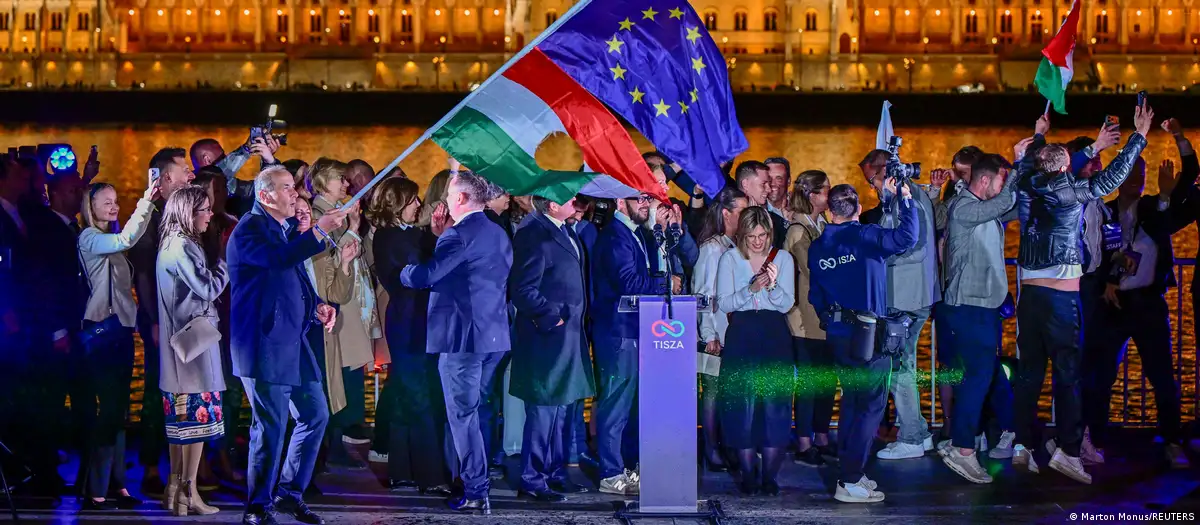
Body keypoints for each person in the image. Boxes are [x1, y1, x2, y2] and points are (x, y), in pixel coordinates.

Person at [1011, 106, 1151, 485]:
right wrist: (1137, 137)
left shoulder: (1025, 184)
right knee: (1069, 376)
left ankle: (1023, 444)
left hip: (1031, 298)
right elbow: (1113, 178)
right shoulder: (1072, 191)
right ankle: (1070, 452)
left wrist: (1039, 134)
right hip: (1061, 299)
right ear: (1065, 167)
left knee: (1029, 375)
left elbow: (1028, 165)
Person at [227, 166, 346, 525]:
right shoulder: (249, 229)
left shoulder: (282, 228)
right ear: (265, 196)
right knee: (270, 426)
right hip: (264, 344)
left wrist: (319, 306)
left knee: (315, 414)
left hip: (293, 340)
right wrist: (320, 231)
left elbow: (292, 276)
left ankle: (289, 493)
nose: (294, 194)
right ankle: (257, 506)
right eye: (286, 188)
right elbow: (277, 260)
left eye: (293, 187)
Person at [400, 168, 512, 514]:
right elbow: (469, 273)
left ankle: (476, 488)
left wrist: (405, 271)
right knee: (476, 411)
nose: (445, 201)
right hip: (493, 336)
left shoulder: (458, 235)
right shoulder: (496, 232)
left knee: (462, 415)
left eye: (449, 196)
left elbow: (427, 276)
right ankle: (476, 479)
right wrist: (441, 237)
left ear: (461, 198)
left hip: (463, 339)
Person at [1082, 144, 1192, 469]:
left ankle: (1172, 441)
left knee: (1161, 376)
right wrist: (1110, 280)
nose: (1136, 179)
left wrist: (1165, 195)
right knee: (1102, 377)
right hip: (1113, 305)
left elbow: (1163, 223)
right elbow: (1110, 254)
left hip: (1148, 305)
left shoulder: (1153, 209)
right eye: (1130, 173)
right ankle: (1094, 438)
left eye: (1141, 174)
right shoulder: (1108, 213)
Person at [809, 182, 917, 503]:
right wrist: (906, 199)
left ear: (829, 212)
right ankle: (850, 479)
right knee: (870, 406)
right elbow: (907, 237)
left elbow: (817, 296)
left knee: (853, 404)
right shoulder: (866, 236)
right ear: (857, 209)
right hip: (868, 336)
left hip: (839, 335)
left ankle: (852, 471)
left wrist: (831, 321)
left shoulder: (818, 247)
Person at [936, 152, 1022, 484]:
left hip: (981, 307)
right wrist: (1016, 168)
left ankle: (961, 444)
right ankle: (962, 449)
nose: (1002, 187)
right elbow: (1002, 203)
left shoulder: (983, 209)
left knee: (979, 377)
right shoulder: (965, 207)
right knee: (977, 378)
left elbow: (1012, 205)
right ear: (984, 181)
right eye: (999, 180)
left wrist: (1023, 173)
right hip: (970, 308)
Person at [77, 178, 159, 510]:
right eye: (106, 201)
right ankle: (96, 488)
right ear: (90, 207)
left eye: (115, 201)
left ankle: (118, 485)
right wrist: (147, 202)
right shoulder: (90, 238)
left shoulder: (108, 241)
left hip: (120, 332)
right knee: (109, 409)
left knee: (119, 408)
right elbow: (126, 237)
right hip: (102, 333)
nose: (113, 206)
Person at [370, 177, 454, 496]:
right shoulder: (389, 237)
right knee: (420, 395)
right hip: (408, 323)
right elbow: (414, 276)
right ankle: (430, 474)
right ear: (396, 204)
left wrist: (434, 235)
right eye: (412, 200)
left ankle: (401, 471)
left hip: (419, 321)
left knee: (408, 395)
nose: (418, 205)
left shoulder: (410, 234)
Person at [509, 195, 595, 502]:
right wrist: (551, 317)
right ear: (552, 204)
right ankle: (532, 478)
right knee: (544, 410)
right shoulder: (534, 233)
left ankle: (556, 473)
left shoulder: (566, 230)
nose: (576, 200)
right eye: (568, 197)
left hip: (570, 337)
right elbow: (521, 288)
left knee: (565, 407)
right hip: (547, 337)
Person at [859, 148, 942, 460]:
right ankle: (918, 432)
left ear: (884, 174)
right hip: (914, 294)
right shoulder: (914, 193)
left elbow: (912, 247)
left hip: (905, 296)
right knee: (903, 363)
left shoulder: (903, 199)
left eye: (872, 181)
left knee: (898, 366)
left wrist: (879, 252)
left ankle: (909, 436)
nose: (871, 188)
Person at [156, 186, 231, 516]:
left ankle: (175, 490)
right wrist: (226, 262)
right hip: (192, 350)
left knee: (181, 425)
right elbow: (208, 287)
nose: (209, 215)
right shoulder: (182, 245)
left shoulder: (171, 243)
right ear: (188, 213)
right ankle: (189, 492)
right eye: (204, 210)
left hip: (181, 350)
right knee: (194, 425)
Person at [591, 191, 669, 496]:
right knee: (616, 401)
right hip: (617, 331)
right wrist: (664, 284)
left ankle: (626, 466)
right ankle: (609, 472)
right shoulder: (614, 236)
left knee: (632, 402)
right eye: (639, 200)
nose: (646, 205)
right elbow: (632, 284)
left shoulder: (638, 234)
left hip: (635, 329)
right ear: (620, 203)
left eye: (647, 199)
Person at [128, 147, 196, 496]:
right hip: (161, 318)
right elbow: (142, 273)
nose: (190, 175)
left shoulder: (179, 212)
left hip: (184, 314)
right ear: (166, 177)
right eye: (184, 170)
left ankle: (185, 468)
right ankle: (152, 465)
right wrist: (154, 320)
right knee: (159, 390)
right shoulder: (152, 217)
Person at [716, 206, 796, 495]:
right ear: (742, 234)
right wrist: (750, 289)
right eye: (752, 236)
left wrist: (772, 287)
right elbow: (724, 303)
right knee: (742, 405)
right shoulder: (730, 259)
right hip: (743, 334)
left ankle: (770, 477)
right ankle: (748, 475)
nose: (758, 242)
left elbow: (787, 304)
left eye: (762, 235)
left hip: (774, 335)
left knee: (776, 405)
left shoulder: (783, 259)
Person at [192, 166, 245, 482]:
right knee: (203, 390)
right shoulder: (196, 229)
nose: (224, 194)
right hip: (205, 319)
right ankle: (200, 463)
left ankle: (224, 454)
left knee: (231, 391)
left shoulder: (231, 224)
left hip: (233, 318)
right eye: (218, 188)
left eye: (225, 188)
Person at [692, 187, 749, 472]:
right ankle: (711, 449)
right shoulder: (712, 248)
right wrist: (708, 334)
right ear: (726, 213)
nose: (747, 216)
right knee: (712, 391)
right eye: (742, 210)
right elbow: (703, 294)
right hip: (716, 331)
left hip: (735, 331)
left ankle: (728, 446)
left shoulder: (737, 245)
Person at [783, 170, 837, 468]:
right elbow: (812, 266)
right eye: (826, 190)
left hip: (824, 318)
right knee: (808, 381)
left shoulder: (822, 224)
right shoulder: (798, 230)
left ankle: (821, 435)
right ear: (812, 194)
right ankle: (804, 441)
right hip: (804, 318)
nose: (831, 196)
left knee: (826, 381)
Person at [735, 160, 786, 247]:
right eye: (763, 184)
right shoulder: (730, 217)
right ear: (745, 184)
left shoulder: (776, 220)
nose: (769, 189)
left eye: (768, 184)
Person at [765, 157, 792, 223]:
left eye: (778, 178)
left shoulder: (800, 208)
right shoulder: (757, 210)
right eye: (769, 178)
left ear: (788, 181)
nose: (772, 184)